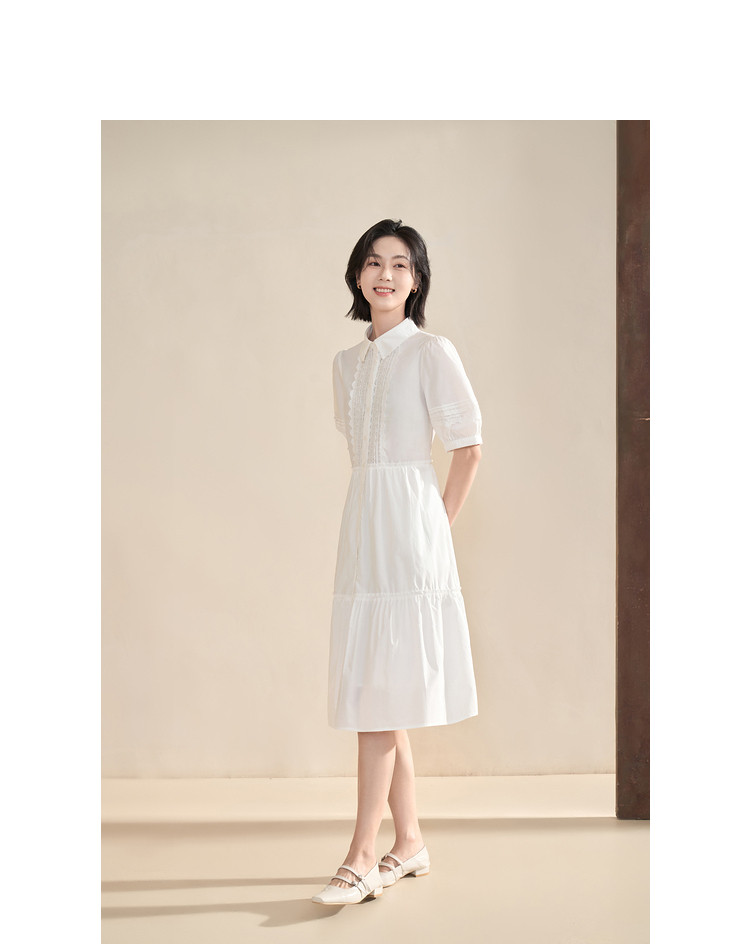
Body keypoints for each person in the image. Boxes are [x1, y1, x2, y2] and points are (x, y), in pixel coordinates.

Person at [312, 219, 483, 906]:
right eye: (374, 262)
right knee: (380, 688)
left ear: (416, 281)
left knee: (377, 695)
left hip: (411, 530)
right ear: (358, 275)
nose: (386, 274)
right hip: (364, 526)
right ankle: (408, 842)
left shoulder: (431, 352)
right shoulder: (345, 365)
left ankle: (361, 855)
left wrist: (436, 526)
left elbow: (469, 446)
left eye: (401, 264)